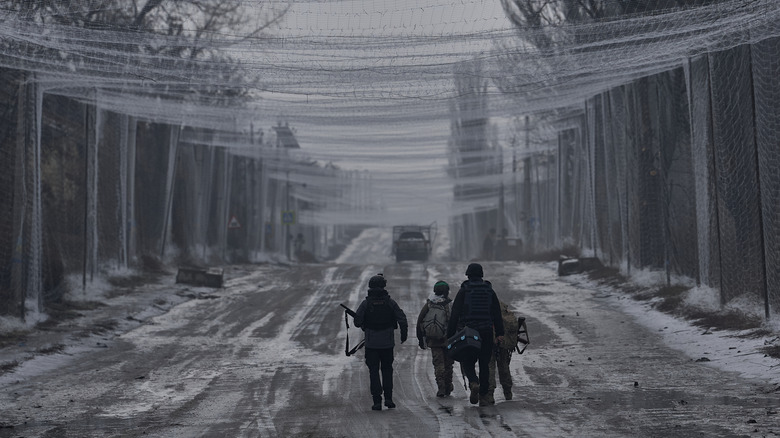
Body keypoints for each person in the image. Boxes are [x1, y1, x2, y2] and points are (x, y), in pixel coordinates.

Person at [447, 263, 504, 406]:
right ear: (481, 274)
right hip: (486, 331)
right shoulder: (489, 291)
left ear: (468, 275)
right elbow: (497, 314)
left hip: (470, 332)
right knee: (484, 363)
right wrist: (500, 333)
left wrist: (450, 334)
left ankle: (473, 382)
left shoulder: (464, 291)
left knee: (467, 360)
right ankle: (484, 395)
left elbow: (454, 314)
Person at [354, 273, 408, 411]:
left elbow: (357, 321)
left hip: (371, 345)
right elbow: (402, 318)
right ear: (384, 287)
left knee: (373, 371)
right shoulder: (390, 302)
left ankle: (377, 401)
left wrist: (364, 323)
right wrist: (404, 334)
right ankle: (389, 399)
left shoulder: (366, 303)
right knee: (387, 370)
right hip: (387, 344)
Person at [416, 281, 454, 397]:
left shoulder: (429, 304)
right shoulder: (449, 304)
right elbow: (455, 321)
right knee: (448, 364)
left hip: (433, 340)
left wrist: (421, 339)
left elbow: (420, 321)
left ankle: (441, 387)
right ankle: (448, 386)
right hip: (448, 340)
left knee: (438, 364)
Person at [487, 301, 520, 404]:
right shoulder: (502, 306)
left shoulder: (482, 304)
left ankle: (490, 394)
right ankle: (508, 392)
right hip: (503, 341)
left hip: (489, 342)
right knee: (504, 367)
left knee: (489, 368)